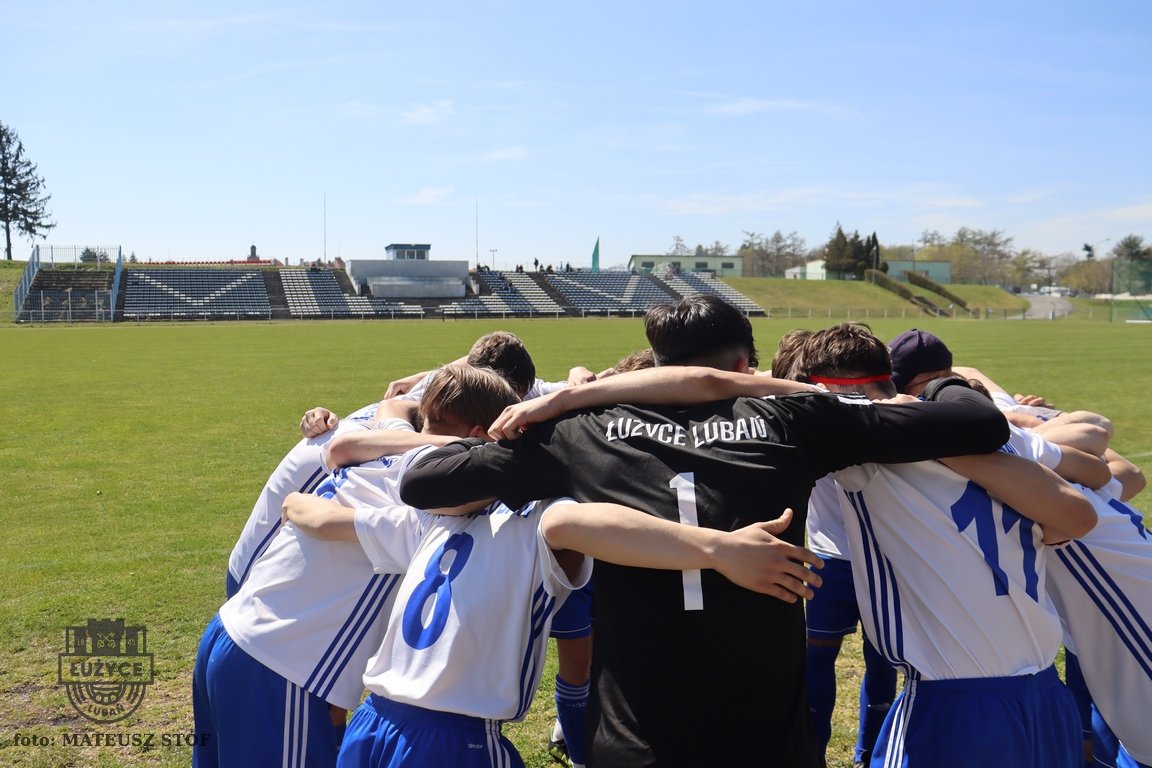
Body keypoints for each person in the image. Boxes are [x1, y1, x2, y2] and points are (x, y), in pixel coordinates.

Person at [400, 295, 1012, 768]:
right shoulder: (794, 418)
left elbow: (424, 482)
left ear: (655, 363)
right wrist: (944, 380)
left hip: (633, 740)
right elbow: (980, 423)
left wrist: (575, 401)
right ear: (744, 365)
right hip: (764, 737)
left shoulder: (580, 433)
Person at [284, 467, 819, 767]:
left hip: (374, 723)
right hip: (453, 741)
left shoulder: (431, 519)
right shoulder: (540, 518)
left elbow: (318, 516)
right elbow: (589, 524)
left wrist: (292, 499)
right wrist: (716, 548)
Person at [193, 365, 520, 767]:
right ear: (481, 437)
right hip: (282, 665)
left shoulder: (395, 444)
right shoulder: (439, 492)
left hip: (230, 633)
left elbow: (383, 415)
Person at [771, 329, 896, 768]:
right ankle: (850, 753)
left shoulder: (792, 412)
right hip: (858, 560)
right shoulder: (802, 411)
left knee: (845, 661)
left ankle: (851, 753)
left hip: (848, 561)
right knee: (860, 662)